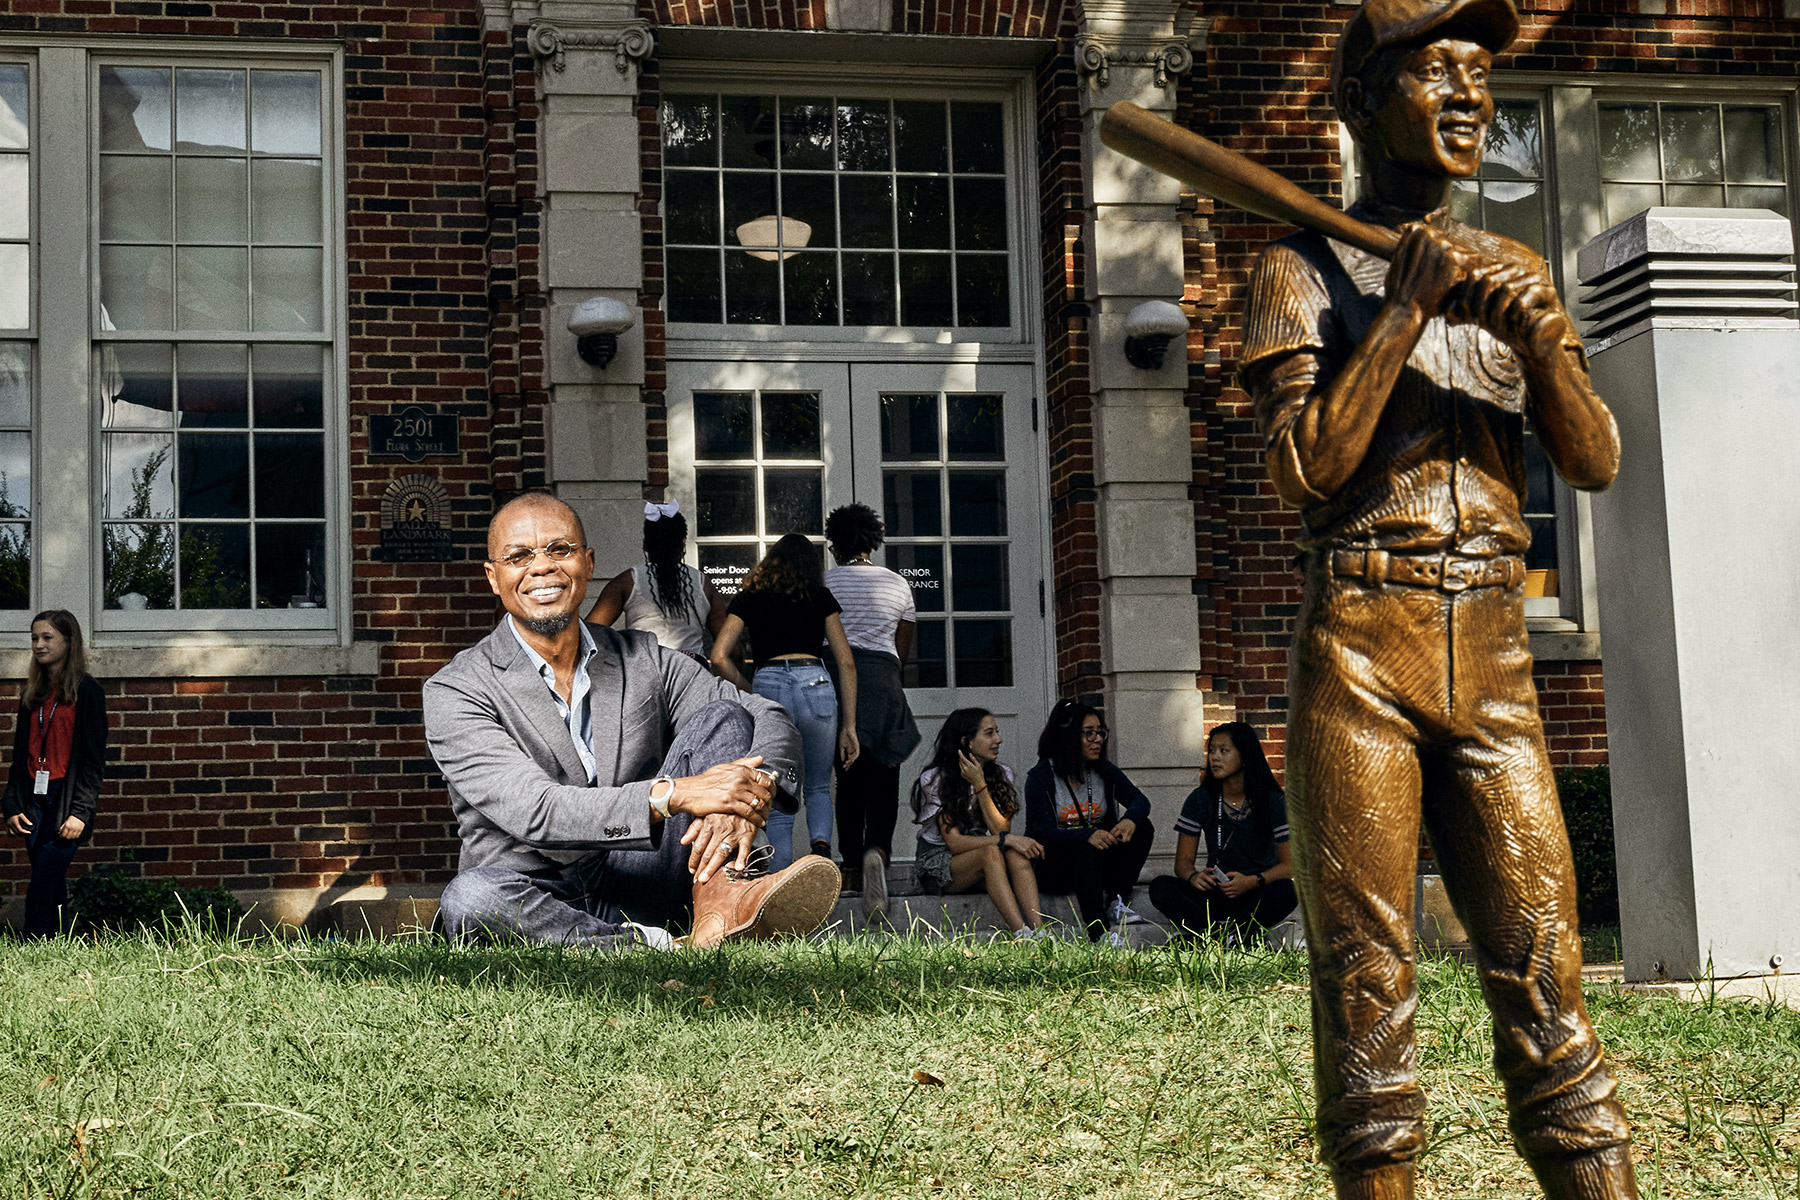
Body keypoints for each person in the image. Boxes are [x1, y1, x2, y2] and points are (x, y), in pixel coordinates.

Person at [1235, 0, 1637, 1193]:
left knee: (1546, 974)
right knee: (1368, 985)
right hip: (1364, 643)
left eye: (1480, 71)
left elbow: (1597, 460)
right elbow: (1302, 473)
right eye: (1433, 69)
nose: (1469, 94)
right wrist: (1403, 309)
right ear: (1361, 100)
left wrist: (1545, 339)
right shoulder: (1297, 268)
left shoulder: (1514, 265)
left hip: (1499, 654)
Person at [423, 492, 841, 950]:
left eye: (559, 550)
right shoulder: (455, 689)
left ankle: (724, 902)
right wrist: (674, 794)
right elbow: (537, 812)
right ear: (494, 576)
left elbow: (769, 712)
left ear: (587, 561)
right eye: (519, 556)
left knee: (726, 716)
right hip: (534, 893)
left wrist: (752, 787)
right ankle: (658, 944)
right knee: (472, 899)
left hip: (642, 875)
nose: (541, 567)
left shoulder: (643, 657)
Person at [711, 533, 859, 870]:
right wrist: (849, 725)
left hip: (770, 683)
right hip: (815, 682)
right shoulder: (819, 596)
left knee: (775, 792)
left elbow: (719, 656)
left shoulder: (751, 595)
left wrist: (750, 689)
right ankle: (821, 851)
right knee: (819, 785)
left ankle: (780, 881)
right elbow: (846, 662)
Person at [822, 503, 920, 920]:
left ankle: (850, 865)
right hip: (883, 680)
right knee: (884, 775)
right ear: (873, 540)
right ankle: (877, 849)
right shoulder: (897, 584)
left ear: (835, 542)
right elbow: (904, 645)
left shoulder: (824, 583)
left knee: (847, 780)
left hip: (836, 678)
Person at [2, 610, 107, 938]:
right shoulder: (32, 692)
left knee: (43, 881)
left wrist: (81, 811)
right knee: (51, 879)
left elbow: (93, 761)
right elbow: (21, 756)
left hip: (66, 798)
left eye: (48, 638)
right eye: (35, 638)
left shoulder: (87, 692)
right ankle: (60, 941)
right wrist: (11, 803)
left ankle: (32, 943)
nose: (38, 645)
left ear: (69, 641)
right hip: (34, 796)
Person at [1148, 722, 1296, 941]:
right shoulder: (1201, 799)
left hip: (1255, 890)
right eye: (1212, 751)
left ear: (1245, 756)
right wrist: (1193, 877)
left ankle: (1229, 936)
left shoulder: (1273, 801)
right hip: (1216, 891)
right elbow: (1182, 863)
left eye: (1224, 751)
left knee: (1288, 890)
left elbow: (1290, 866)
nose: (1214, 758)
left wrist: (1252, 881)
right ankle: (1222, 937)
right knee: (1160, 887)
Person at [1023, 700, 1154, 944]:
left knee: (1142, 827)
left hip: (1097, 862)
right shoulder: (1041, 776)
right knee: (1085, 846)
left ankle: (1116, 900)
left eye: (1100, 732)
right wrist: (1085, 834)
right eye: (1088, 733)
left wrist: (1130, 819)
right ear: (1069, 736)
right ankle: (1099, 932)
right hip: (1055, 866)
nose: (1098, 739)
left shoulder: (1103, 770)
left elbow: (1140, 801)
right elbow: (1041, 833)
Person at [911, 708, 1044, 938]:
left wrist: (980, 784)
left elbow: (1000, 830)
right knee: (992, 852)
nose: (998, 739)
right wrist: (1008, 840)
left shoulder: (1002, 774)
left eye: (997, 732)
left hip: (982, 859)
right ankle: (1022, 935)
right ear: (967, 742)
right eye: (989, 733)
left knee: (1014, 854)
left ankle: (1041, 933)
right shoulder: (935, 779)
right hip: (939, 863)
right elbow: (954, 843)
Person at [584, 499, 726, 666]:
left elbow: (589, 634)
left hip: (645, 669)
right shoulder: (704, 584)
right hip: (693, 671)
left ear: (646, 544)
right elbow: (732, 650)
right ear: (682, 541)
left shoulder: (627, 581)